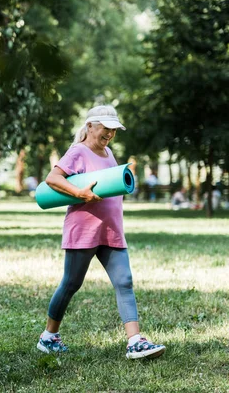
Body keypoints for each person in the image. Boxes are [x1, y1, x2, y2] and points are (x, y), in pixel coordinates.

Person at [36, 105, 165, 360]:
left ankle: (135, 342)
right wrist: (79, 193)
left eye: (114, 130)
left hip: (111, 230)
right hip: (84, 229)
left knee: (124, 281)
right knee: (71, 284)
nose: (110, 134)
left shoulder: (108, 153)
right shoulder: (78, 151)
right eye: (106, 128)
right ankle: (48, 336)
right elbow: (53, 178)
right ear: (91, 126)